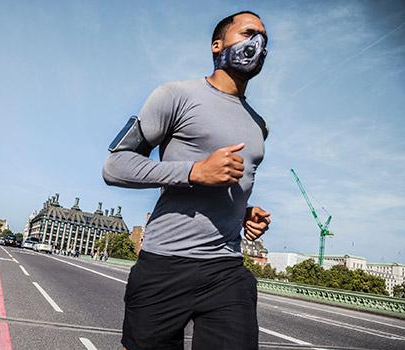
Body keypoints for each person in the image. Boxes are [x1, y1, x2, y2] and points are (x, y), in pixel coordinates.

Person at [103, 11, 272, 350]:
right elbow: (115, 165)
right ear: (217, 45)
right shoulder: (174, 96)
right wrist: (194, 172)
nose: (259, 44)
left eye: (264, 40)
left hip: (225, 268)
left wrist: (244, 212)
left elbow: (227, 185)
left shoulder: (258, 125)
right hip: (164, 264)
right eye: (249, 33)